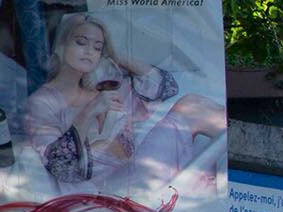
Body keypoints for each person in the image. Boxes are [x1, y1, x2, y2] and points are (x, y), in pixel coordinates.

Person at [21, 12, 224, 199]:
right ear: (61, 45)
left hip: (135, 172)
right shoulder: (43, 101)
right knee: (192, 108)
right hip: (104, 192)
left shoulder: (102, 87)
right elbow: (59, 165)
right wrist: (88, 112)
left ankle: (229, 181)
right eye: (81, 42)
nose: (89, 52)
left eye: (97, 47)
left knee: (192, 105)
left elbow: (164, 87)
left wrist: (116, 56)